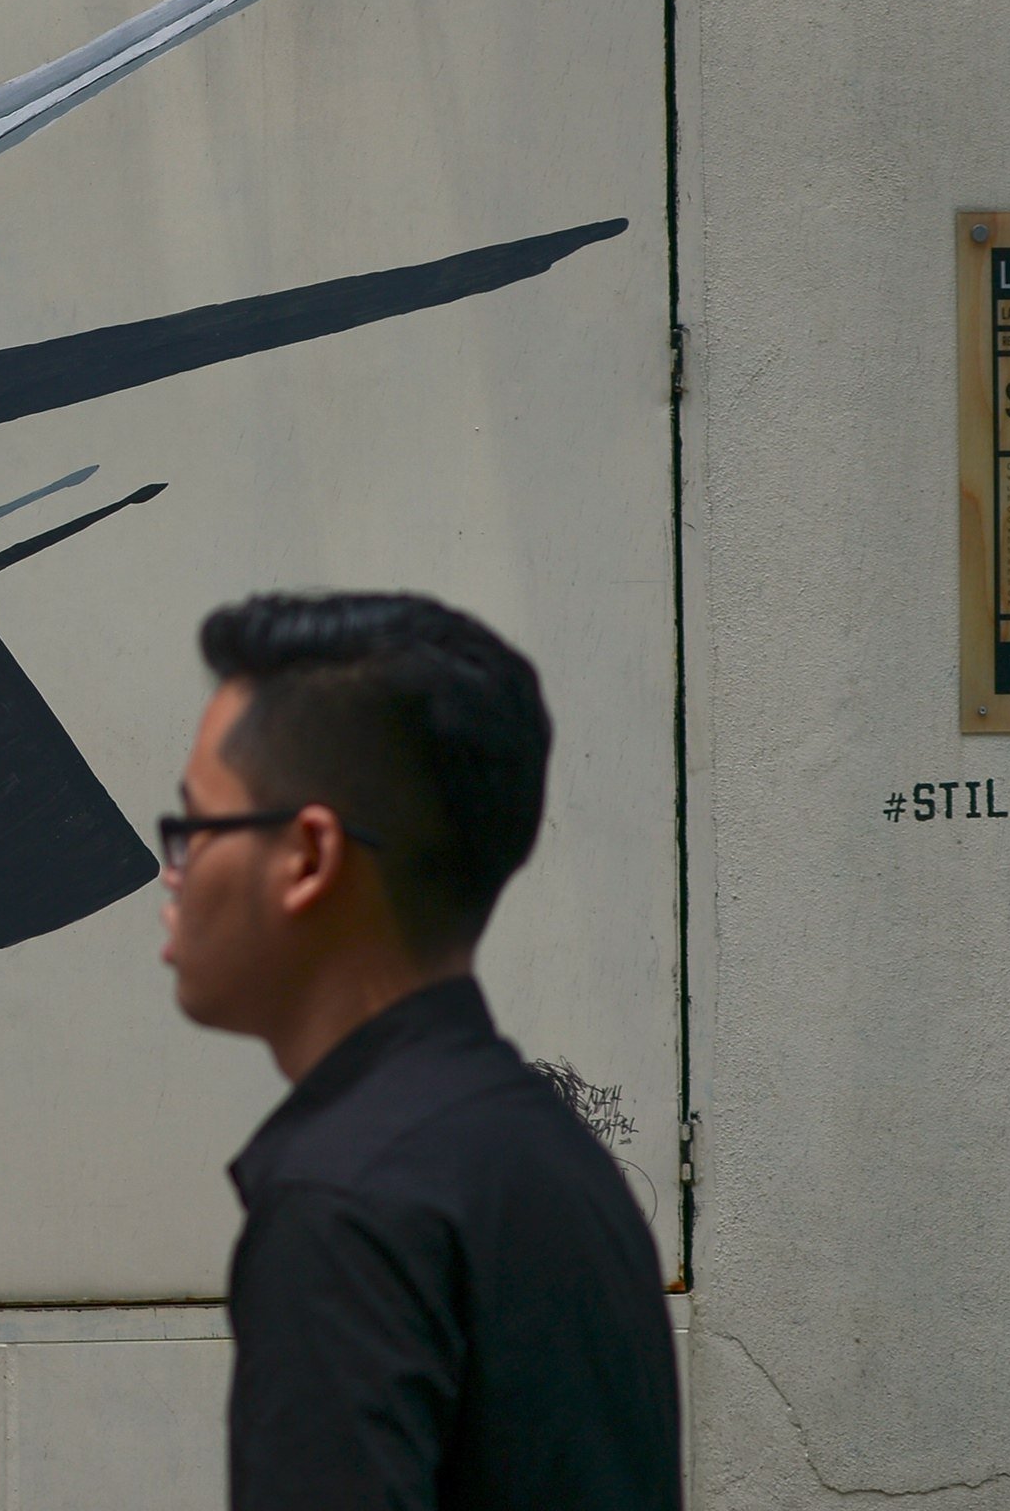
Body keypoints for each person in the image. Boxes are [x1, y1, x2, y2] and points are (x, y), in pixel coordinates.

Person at [160, 591, 679, 1509]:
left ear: (308, 858)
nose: (173, 874)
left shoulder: (345, 1205)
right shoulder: (552, 1157)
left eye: (195, 829)